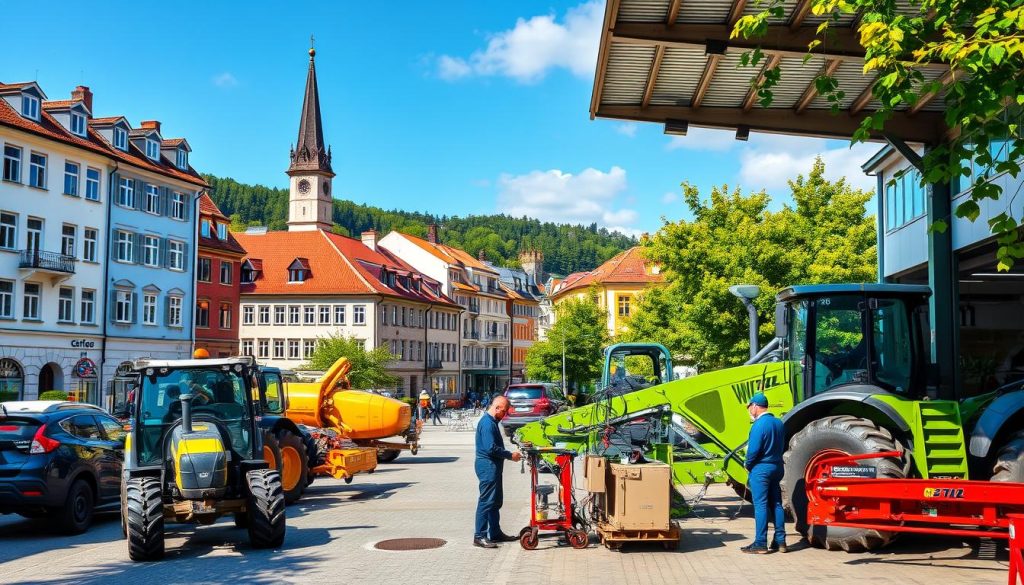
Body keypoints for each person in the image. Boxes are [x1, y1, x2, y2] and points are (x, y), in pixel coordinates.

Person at [473, 395, 521, 548]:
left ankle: (494, 532)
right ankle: (479, 535)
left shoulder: (492, 422)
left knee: (495, 501)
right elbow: (490, 448)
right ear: (497, 407)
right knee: (486, 501)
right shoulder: (487, 424)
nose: (505, 414)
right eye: (504, 411)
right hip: (487, 466)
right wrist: (509, 455)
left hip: (492, 466)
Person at [742, 392, 787, 554]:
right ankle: (780, 541)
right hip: (777, 467)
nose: (749, 410)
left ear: (755, 406)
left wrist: (748, 464)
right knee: (776, 503)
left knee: (760, 505)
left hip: (761, 469)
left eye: (749, 407)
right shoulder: (778, 423)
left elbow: (753, 450)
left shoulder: (759, 425)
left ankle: (760, 543)